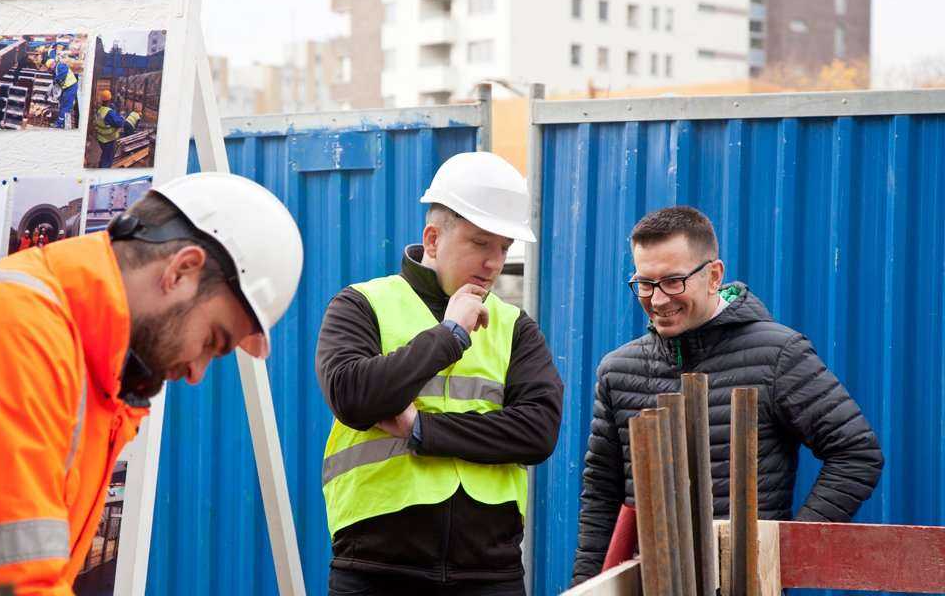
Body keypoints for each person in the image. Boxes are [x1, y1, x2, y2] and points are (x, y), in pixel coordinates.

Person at [0, 173, 303, 594]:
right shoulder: (17, 329)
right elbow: (16, 582)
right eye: (212, 340)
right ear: (181, 270)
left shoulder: (91, 370)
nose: (196, 373)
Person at [571, 205, 884, 584]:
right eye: (645, 283)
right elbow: (602, 496)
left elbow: (856, 453)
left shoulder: (777, 354)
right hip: (648, 585)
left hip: (743, 585)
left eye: (673, 281)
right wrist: (587, 588)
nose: (657, 300)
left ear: (713, 275)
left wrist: (784, 551)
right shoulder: (618, 371)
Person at [316, 152, 564, 596]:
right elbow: (354, 397)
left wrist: (421, 429)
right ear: (433, 239)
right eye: (480, 243)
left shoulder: (514, 326)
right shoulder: (360, 305)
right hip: (374, 571)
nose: (494, 262)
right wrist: (448, 337)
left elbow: (537, 432)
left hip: (491, 574)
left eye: (504, 248)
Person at [94, 90, 134, 168]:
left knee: (104, 155)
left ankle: (101, 166)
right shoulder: (109, 113)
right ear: (109, 99)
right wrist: (122, 117)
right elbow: (119, 123)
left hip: (101, 138)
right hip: (108, 140)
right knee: (108, 158)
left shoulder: (100, 110)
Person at [44, 58, 79, 129]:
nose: (50, 71)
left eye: (49, 68)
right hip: (66, 88)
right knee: (62, 104)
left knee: (66, 107)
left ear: (52, 65)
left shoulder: (60, 66)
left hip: (71, 87)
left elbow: (63, 74)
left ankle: (60, 125)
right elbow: (55, 84)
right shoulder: (56, 70)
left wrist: (56, 80)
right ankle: (61, 122)